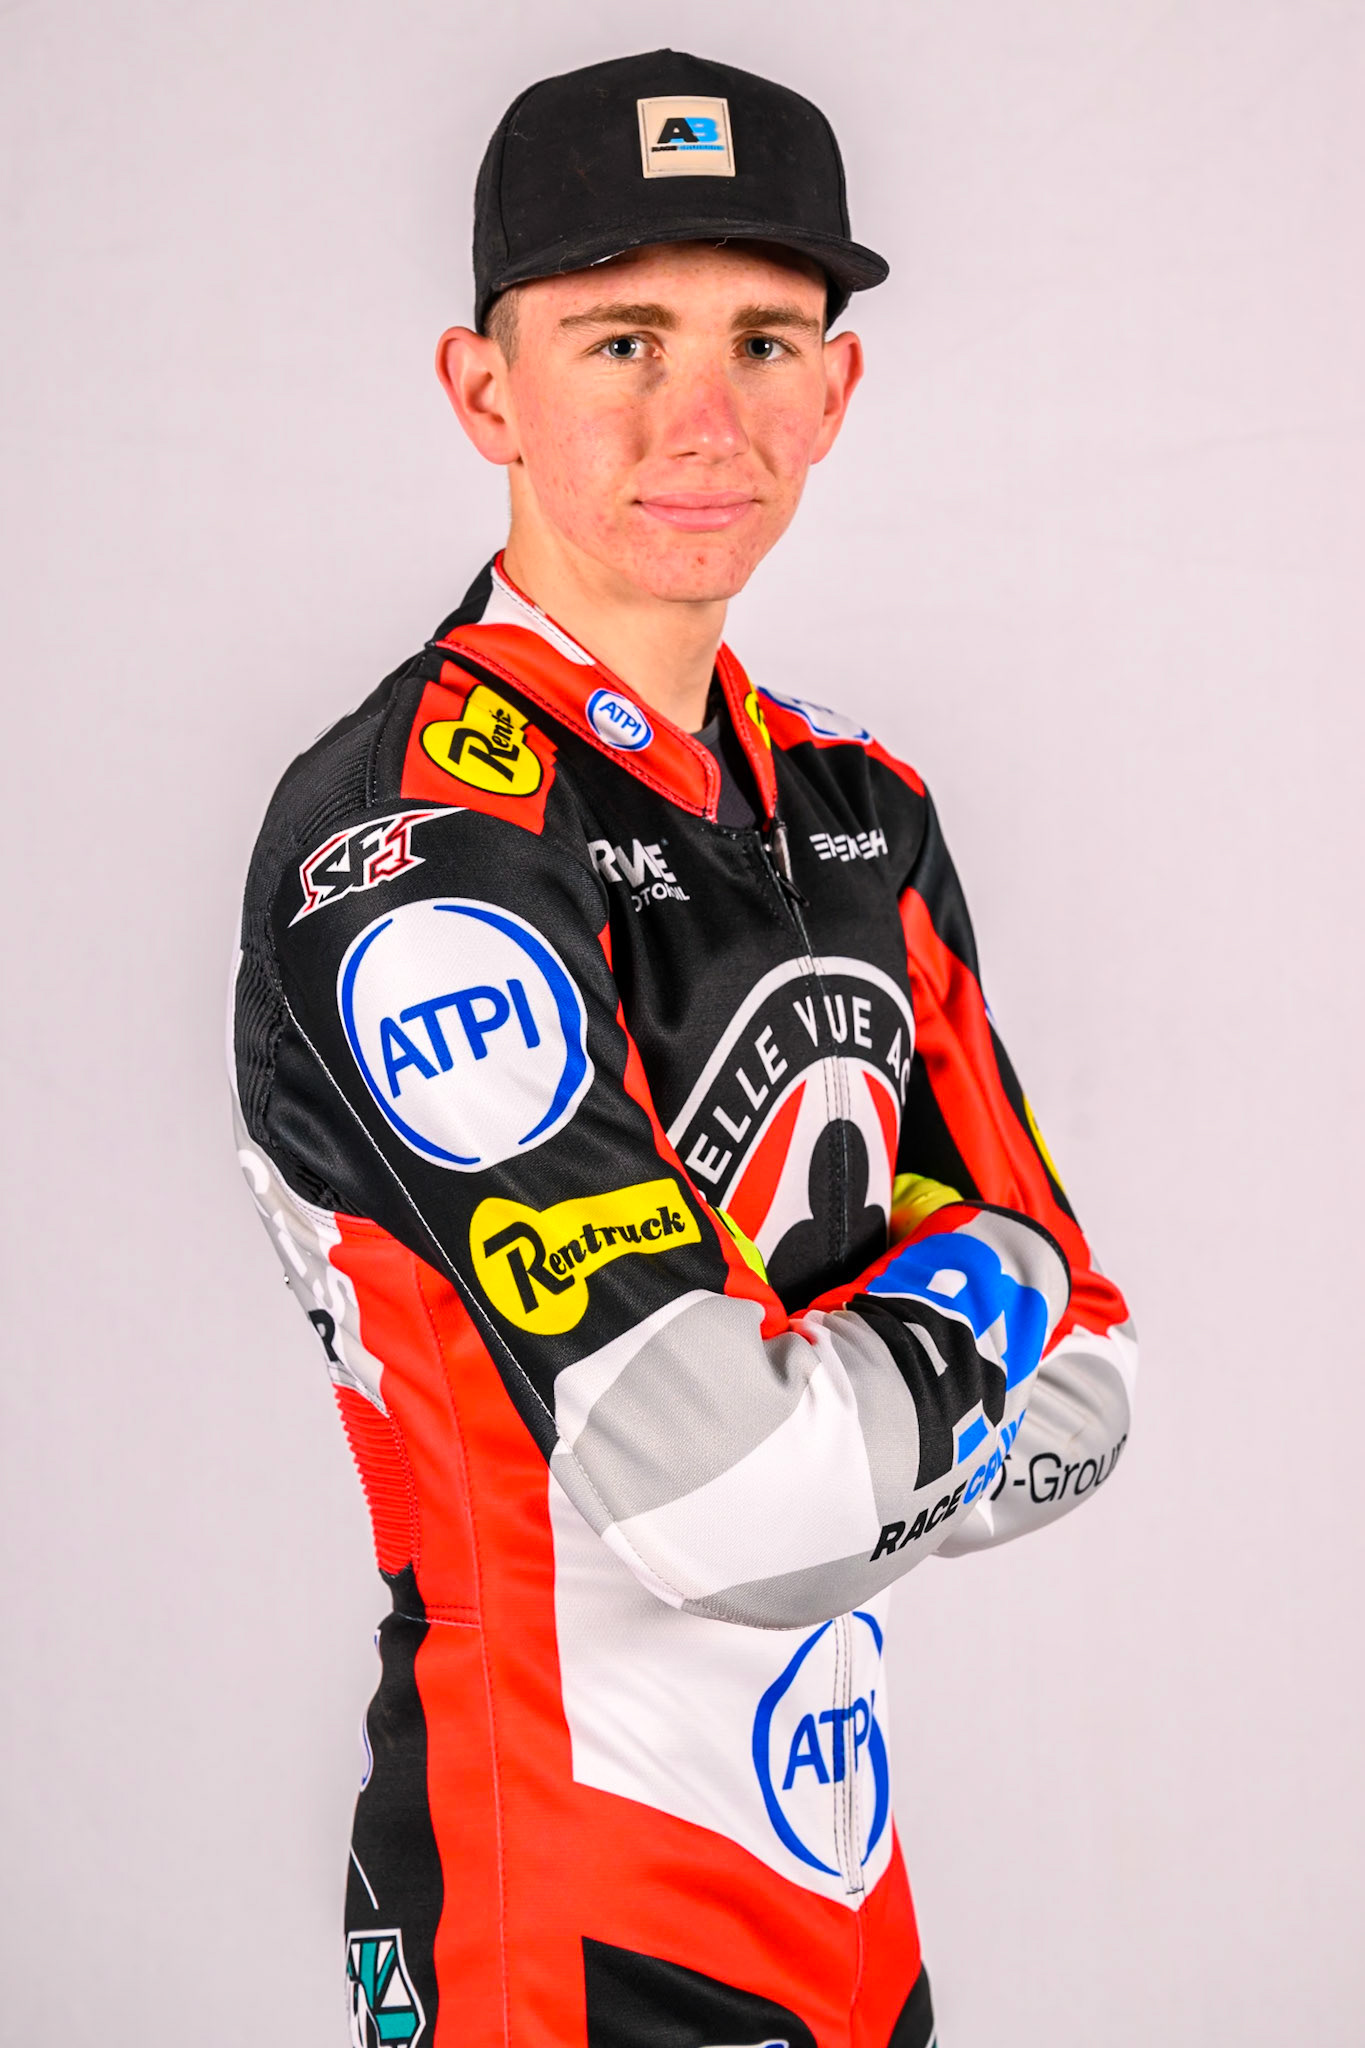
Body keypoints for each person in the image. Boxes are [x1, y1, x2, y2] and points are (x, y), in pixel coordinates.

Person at [230, 47, 1136, 2048]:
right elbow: (733, 1507)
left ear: (837, 388)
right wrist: (967, 1284)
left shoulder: (855, 806)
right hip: (554, 1898)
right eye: (620, 340)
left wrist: (842, 1430)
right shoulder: (414, 851)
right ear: (485, 389)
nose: (701, 417)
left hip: (843, 1882)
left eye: (761, 340)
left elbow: (1096, 1391)